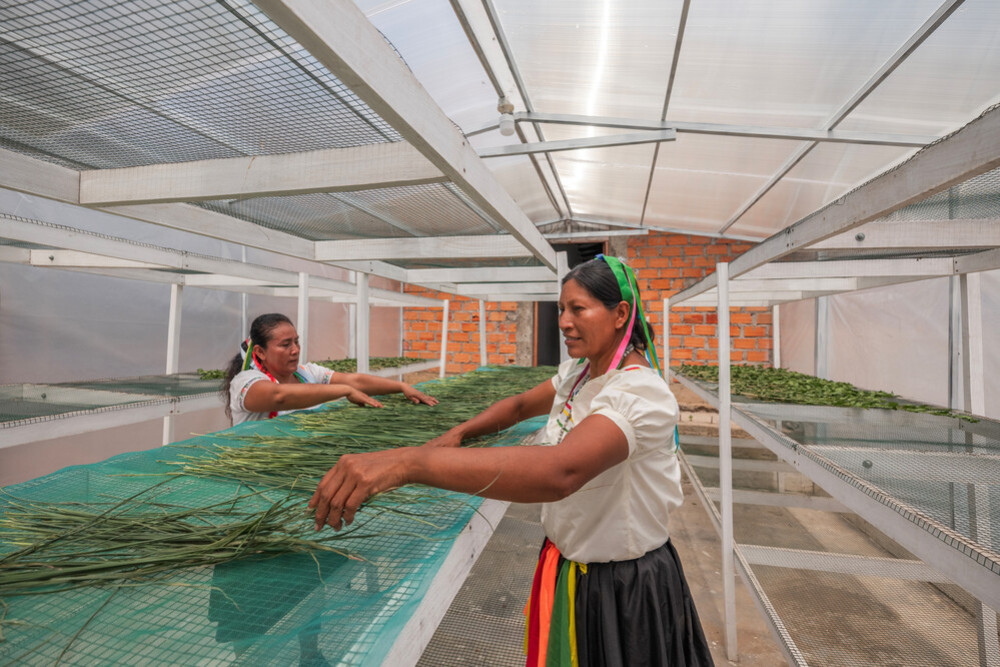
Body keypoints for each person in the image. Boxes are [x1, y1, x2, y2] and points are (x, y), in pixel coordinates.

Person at [308, 256, 714, 666]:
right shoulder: (579, 374)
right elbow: (519, 406)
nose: (564, 322)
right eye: (561, 309)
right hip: (573, 570)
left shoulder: (640, 393)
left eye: (578, 309)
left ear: (620, 314)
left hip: (622, 591)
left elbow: (560, 471)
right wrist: (460, 433)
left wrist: (409, 464)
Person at [222, 313, 437, 426]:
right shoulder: (245, 382)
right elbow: (279, 396)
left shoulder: (306, 373)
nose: (295, 350)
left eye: (297, 342)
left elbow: (355, 381)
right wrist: (344, 391)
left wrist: (401, 386)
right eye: (285, 345)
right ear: (260, 352)